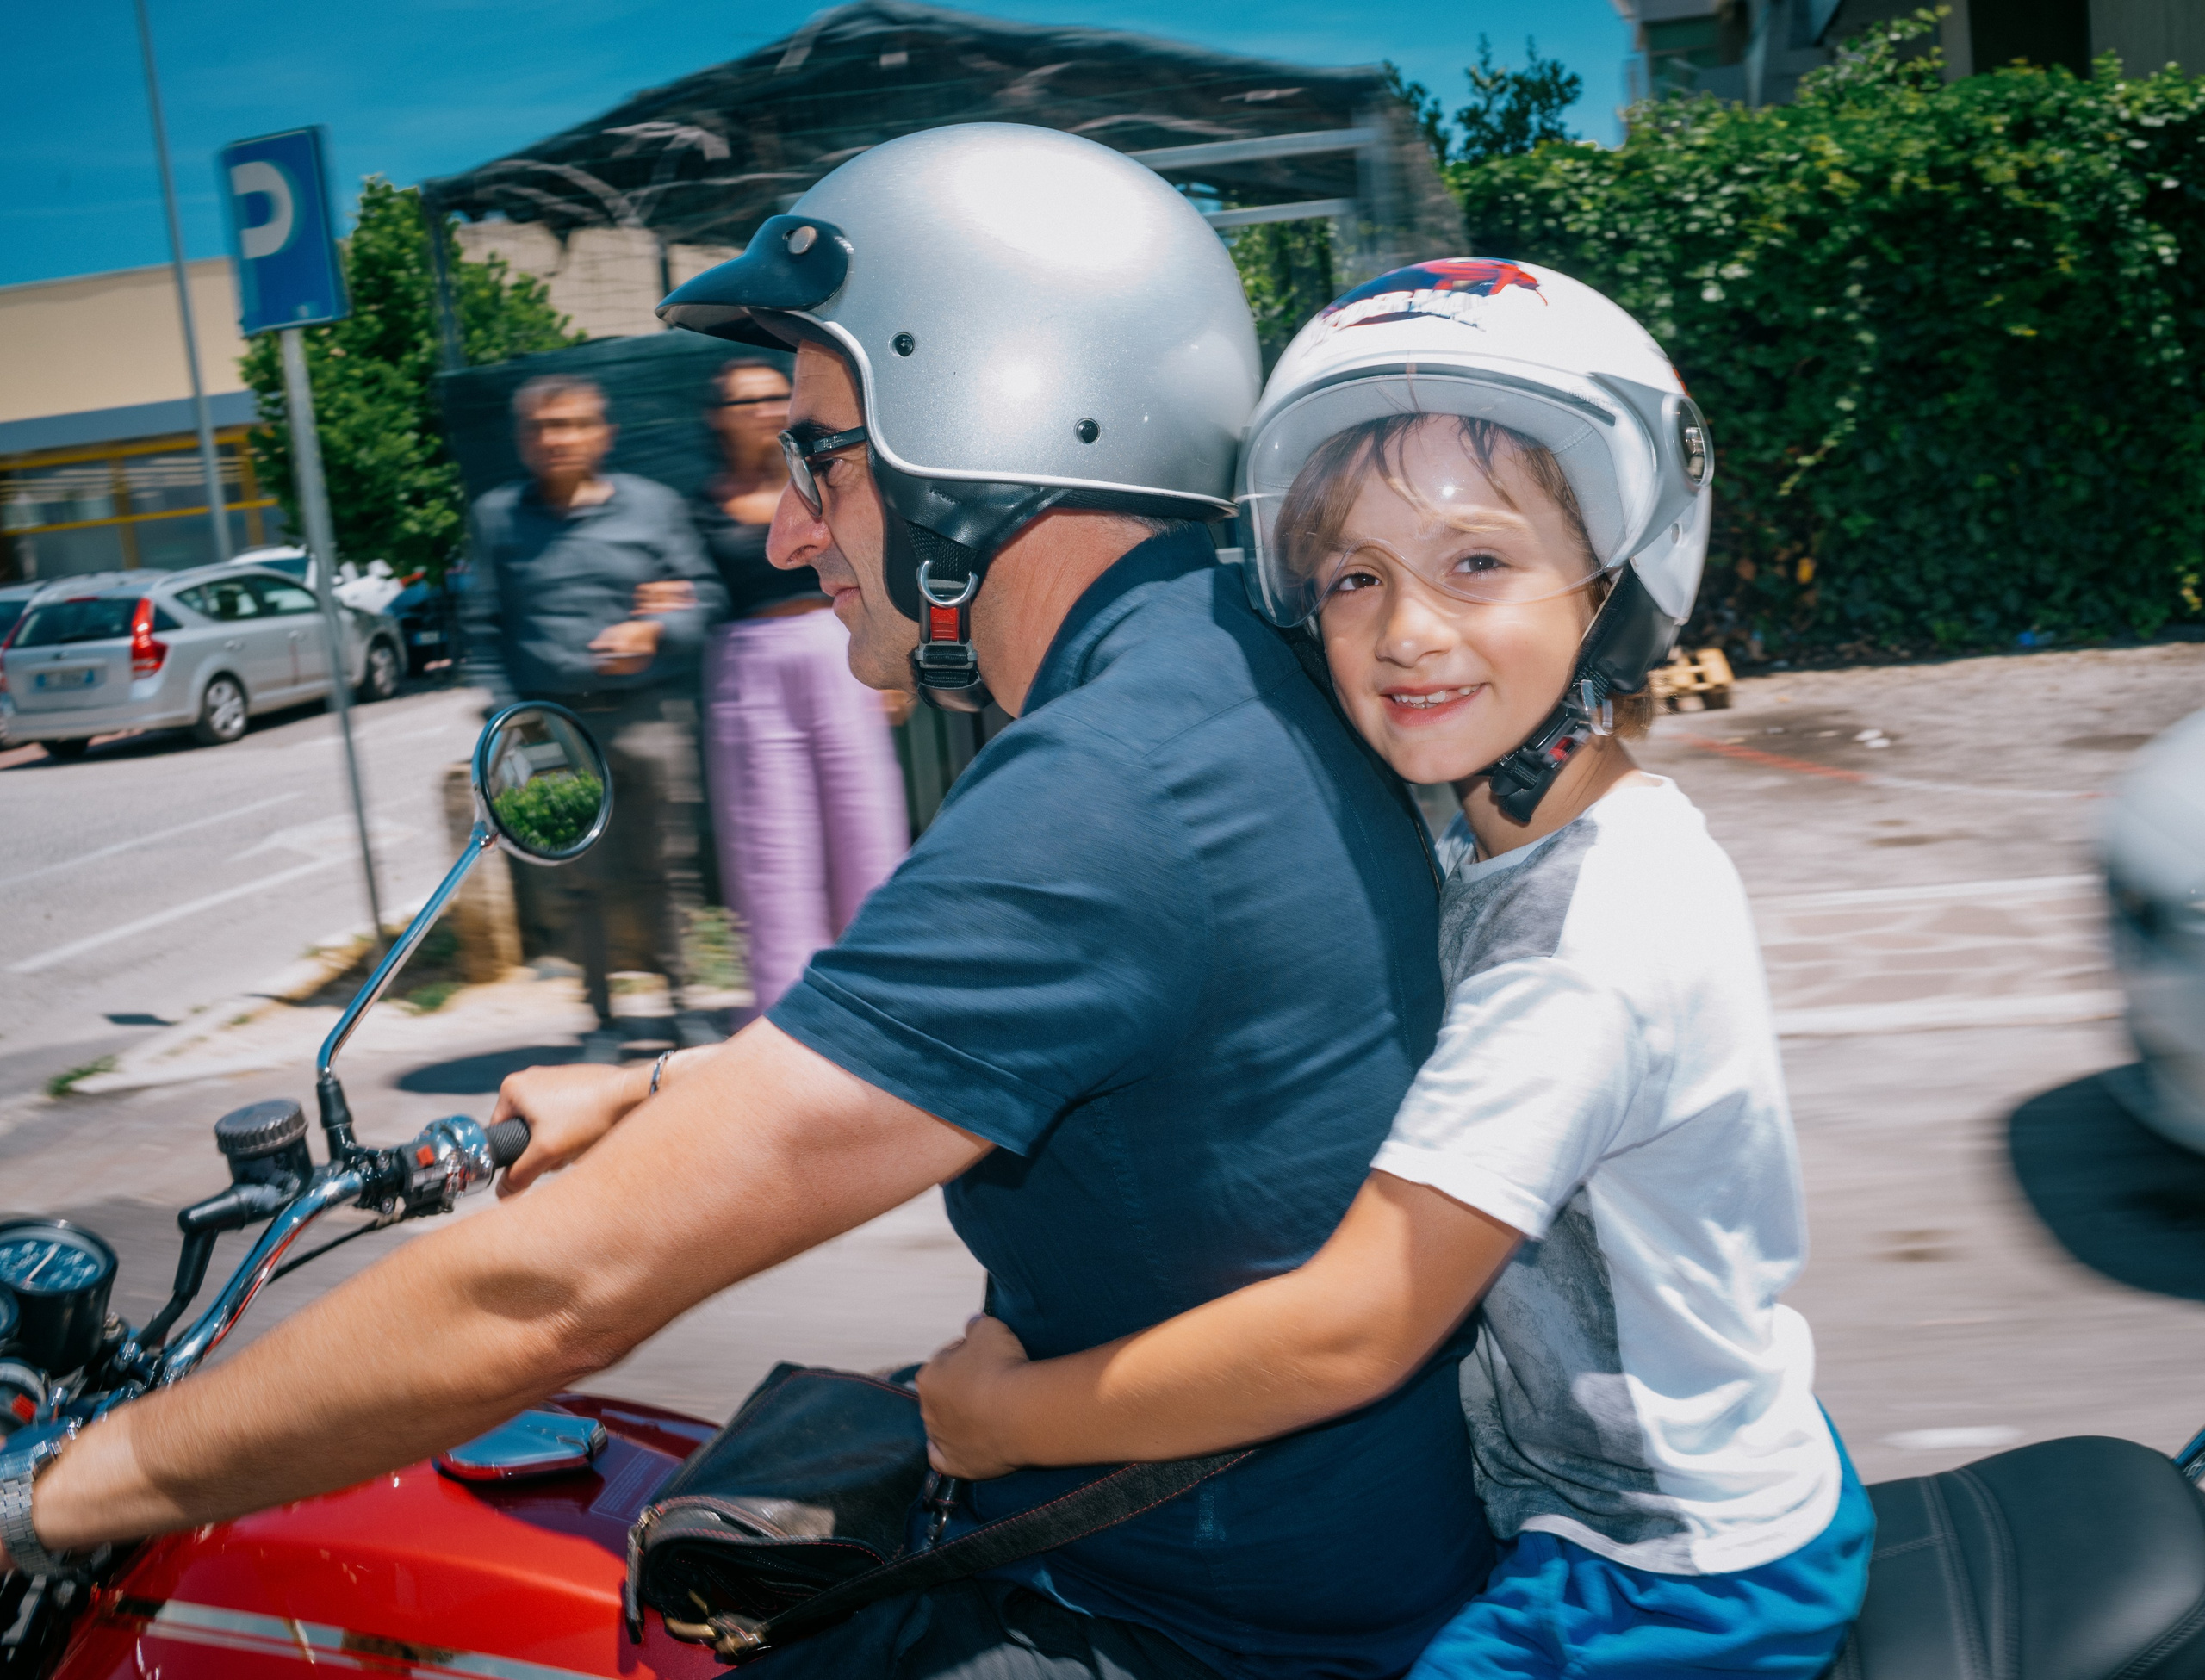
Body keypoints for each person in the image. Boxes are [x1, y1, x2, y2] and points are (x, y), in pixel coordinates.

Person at [9, 129, 1490, 1680]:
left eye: (819, 453)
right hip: (1263, 1552)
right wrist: (663, 1078)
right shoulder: (1213, 667)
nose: (786, 528)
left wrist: (53, 1494)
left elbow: (547, 1287)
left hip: (1183, 1631)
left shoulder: (1105, 789)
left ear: (987, 423)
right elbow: (1086, 1043)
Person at [916, 263, 1873, 1680]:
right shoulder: (1497, 835)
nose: (1409, 627)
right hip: (1631, 1485)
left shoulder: (1587, 941)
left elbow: (1353, 1329)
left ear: (1613, 583)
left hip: (1657, 1572)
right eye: (1353, 574)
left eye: (1476, 561)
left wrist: (1010, 1422)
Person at [460, 375, 729, 1060]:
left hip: (650, 719)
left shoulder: (655, 508)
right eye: (544, 427)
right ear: (524, 439)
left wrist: (654, 633)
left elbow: (705, 600)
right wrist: (509, 725)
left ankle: (681, 1006)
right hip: (553, 733)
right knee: (581, 883)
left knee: (666, 869)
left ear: (603, 433)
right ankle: (603, 1021)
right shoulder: (497, 518)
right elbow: (482, 632)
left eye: (574, 424)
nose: (558, 439)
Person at [693, 355, 910, 1016]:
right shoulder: (698, 508)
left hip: (839, 657)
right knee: (773, 864)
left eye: (772, 396)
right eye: (745, 400)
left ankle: (887, 1016)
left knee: (870, 843)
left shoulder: (833, 481)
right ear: (717, 419)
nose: (763, 410)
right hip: (750, 675)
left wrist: (891, 657)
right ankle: (786, 1035)